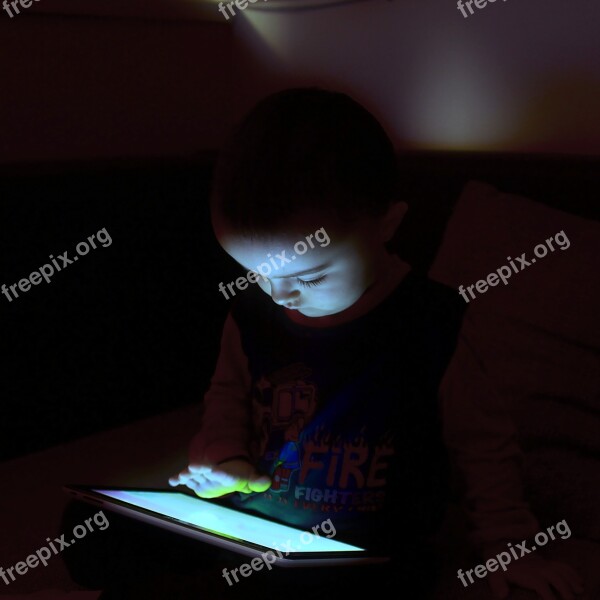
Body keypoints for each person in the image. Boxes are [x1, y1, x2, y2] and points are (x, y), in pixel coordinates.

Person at [168, 88, 584, 600]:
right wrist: (224, 459)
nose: (280, 295)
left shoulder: (430, 323)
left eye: (312, 276)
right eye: (255, 274)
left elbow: (484, 448)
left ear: (386, 225)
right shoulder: (253, 315)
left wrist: (509, 546)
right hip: (254, 530)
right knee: (100, 535)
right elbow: (227, 397)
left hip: (371, 553)